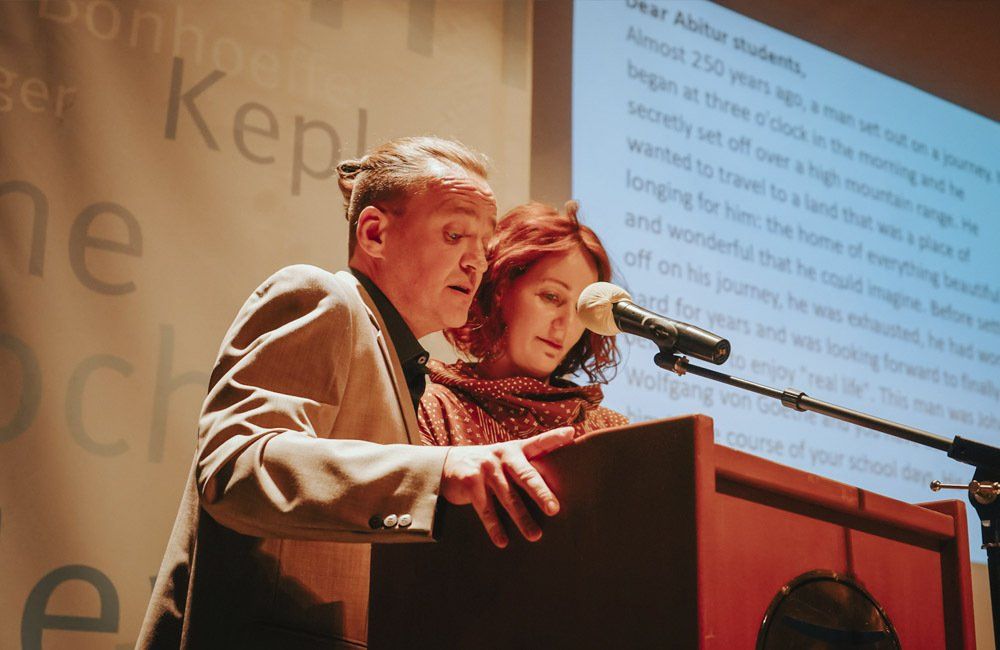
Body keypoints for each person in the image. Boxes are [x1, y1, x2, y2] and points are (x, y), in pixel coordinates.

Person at [137, 137, 575, 649]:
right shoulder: (322, 298)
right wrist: (439, 471)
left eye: (483, 246)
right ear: (374, 232)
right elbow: (237, 466)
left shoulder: (412, 368)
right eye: (455, 234)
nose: (476, 263)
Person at [419, 201, 628, 446]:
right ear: (501, 287)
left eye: (581, 310)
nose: (567, 324)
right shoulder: (436, 408)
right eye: (551, 297)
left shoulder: (609, 431)